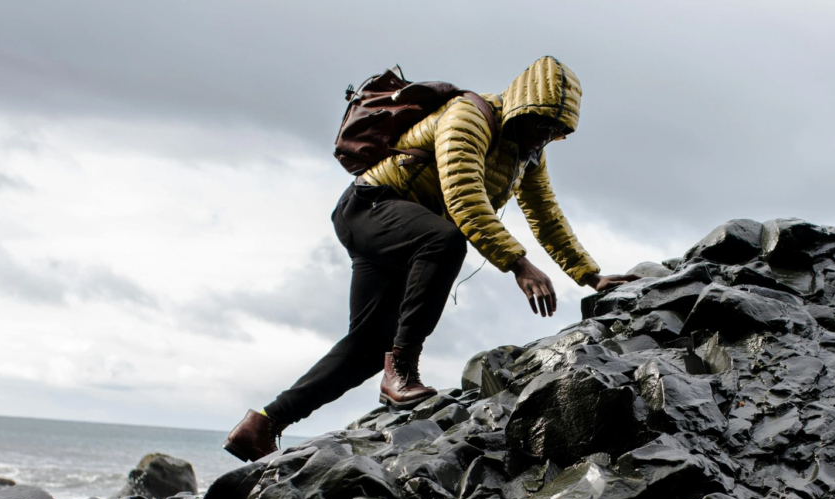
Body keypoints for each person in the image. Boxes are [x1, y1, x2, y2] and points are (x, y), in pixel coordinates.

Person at [223, 56, 639, 462]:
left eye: (556, 131)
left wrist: (591, 276)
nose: (545, 136)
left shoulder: (526, 152)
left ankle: (262, 425)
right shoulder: (469, 116)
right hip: (369, 208)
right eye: (542, 123)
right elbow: (464, 198)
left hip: (402, 232)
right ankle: (401, 369)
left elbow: (546, 215)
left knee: (367, 349)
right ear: (521, 109)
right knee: (446, 241)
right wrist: (518, 264)